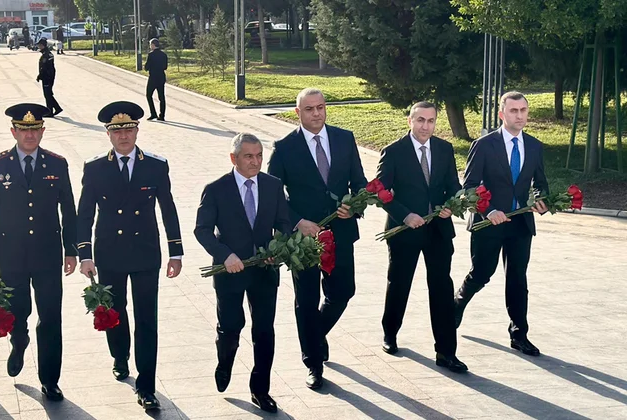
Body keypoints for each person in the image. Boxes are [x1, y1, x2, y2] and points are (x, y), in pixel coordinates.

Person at [77, 101, 184, 411]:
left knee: (147, 319)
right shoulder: (95, 168)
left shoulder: (155, 165)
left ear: (138, 130)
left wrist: (175, 251)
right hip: (109, 253)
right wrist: (84, 253)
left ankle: (147, 385)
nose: (123, 135)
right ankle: (120, 355)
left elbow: (169, 209)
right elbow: (85, 214)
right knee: (116, 312)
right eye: (116, 130)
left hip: (146, 252)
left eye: (128, 129)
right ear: (108, 134)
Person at [0, 103, 77, 402]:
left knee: (50, 318)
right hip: (11, 255)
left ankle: (50, 379)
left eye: (35, 130)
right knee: (18, 313)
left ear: (42, 131)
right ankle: (19, 343)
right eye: (24, 130)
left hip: (47, 254)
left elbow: (68, 211)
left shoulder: (57, 165)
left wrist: (71, 250)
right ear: (13, 131)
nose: (29, 135)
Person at [267, 87, 367, 390]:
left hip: (340, 232)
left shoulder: (344, 138)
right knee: (307, 300)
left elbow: (359, 181)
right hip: (304, 240)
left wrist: (354, 205)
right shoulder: (284, 147)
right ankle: (313, 361)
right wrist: (297, 221)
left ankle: (315, 335)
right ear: (298, 113)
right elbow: (273, 194)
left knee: (343, 292)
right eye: (309, 109)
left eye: (320, 107)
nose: (316, 114)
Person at [194, 133, 292, 413]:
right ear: (233, 158)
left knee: (264, 330)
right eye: (249, 156)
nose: (255, 161)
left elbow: (284, 223)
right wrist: (225, 255)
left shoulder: (273, 186)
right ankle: (224, 362)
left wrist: (279, 246)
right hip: (230, 271)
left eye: (259, 155)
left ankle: (260, 389)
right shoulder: (216, 189)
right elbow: (202, 230)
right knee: (230, 327)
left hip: (264, 269)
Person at [454, 91, 549, 356]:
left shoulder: (534, 145)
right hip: (489, 223)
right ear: (501, 114)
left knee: (518, 278)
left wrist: (542, 201)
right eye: (513, 111)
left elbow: (540, 184)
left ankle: (519, 333)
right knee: (482, 273)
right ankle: (455, 307)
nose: (519, 116)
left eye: (523, 110)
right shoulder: (484, 145)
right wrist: (489, 210)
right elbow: (469, 187)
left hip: (520, 224)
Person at [376, 101, 467, 372]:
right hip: (405, 230)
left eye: (430, 121)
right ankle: (390, 332)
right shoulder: (393, 152)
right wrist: (405, 216)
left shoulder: (444, 149)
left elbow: (453, 185)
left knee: (441, 288)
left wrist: (453, 203)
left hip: (438, 230)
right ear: (410, 121)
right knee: (400, 284)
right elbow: (382, 192)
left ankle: (446, 352)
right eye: (420, 120)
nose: (425, 126)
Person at [36, 38, 62, 116]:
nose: (39, 47)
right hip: (50, 76)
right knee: (49, 94)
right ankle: (57, 108)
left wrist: (39, 76)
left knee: (47, 94)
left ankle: (50, 111)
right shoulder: (49, 53)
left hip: (47, 77)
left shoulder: (46, 55)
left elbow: (43, 68)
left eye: (40, 45)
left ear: (43, 45)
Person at [144, 38, 167, 121]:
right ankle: (162, 115)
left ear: (153, 45)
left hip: (153, 78)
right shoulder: (164, 55)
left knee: (149, 95)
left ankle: (153, 113)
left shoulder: (151, 55)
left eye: (150, 45)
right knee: (162, 97)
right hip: (161, 77)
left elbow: (146, 67)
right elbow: (165, 67)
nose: (150, 46)